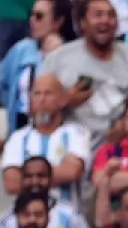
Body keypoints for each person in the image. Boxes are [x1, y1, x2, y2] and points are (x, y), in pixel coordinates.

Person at [39, 0, 128, 147]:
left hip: (121, 149)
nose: (105, 20)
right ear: (82, 23)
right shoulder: (57, 59)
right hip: (69, 149)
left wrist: (127, 124)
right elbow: (38, 112)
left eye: (111, 15)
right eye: (98, 15)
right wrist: (66, 99)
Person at [1, 75, 89, 206]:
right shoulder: (17, 138)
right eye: (37, 94)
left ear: (62, 100)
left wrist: (27, 177)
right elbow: (11, 183)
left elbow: (72, 172)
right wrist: (54, 176)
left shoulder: (76, 133)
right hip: (27, 215)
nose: (42, 99)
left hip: (66, 214)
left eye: (48, 94)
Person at [0, 0, 72, 136]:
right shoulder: (22, 49)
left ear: (58, 21)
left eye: (39, 16)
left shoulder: (68, 53)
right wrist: (10, 103)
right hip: (20, 122)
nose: (32, 20)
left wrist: (55, 55)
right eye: (31, 15)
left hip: (55, 127)